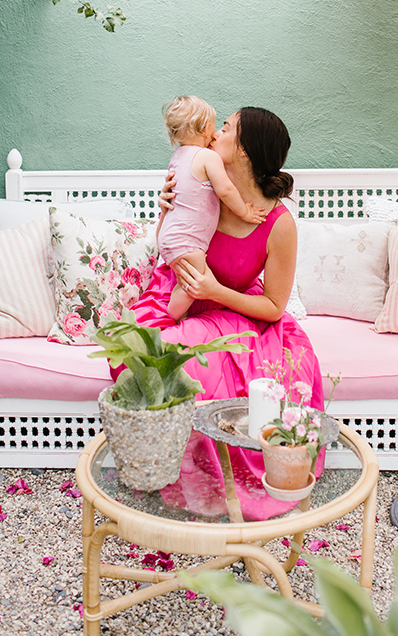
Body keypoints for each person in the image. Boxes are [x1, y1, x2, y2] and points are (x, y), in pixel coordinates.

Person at [124, 106, 325, 521]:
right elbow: (170, 238)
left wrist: (215, 291)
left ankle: (220, 487)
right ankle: (169, 470)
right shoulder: (203, 185)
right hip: (180, 293)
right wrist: (163, 207)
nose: (215, 133)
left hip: (236, 306)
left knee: (204, 364)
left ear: (246, 151)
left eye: (227, 128)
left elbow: (273, 307)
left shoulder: (278, 223)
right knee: (149, 353)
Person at [159, 96, 265, 321]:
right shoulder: (207, 156)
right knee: (195, 285)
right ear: (203, 127)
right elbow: (225, 190)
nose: (215, 133)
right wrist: (245, 212)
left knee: (186, 284)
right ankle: (168, 321)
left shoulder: (178, 156)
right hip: (186, 242)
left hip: (170, 238)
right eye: (215, 126)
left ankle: (179, 316)